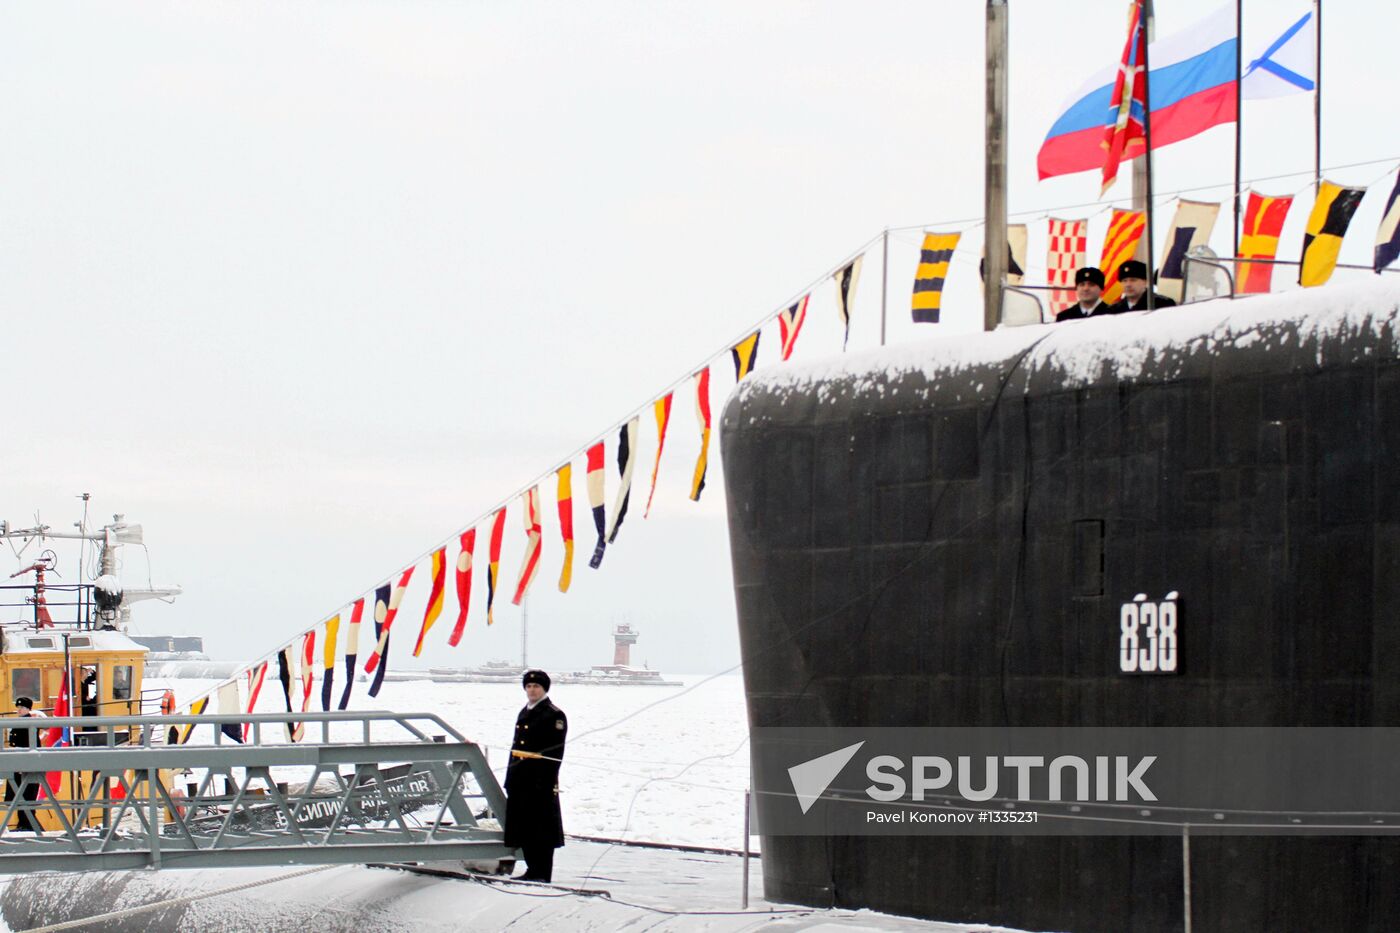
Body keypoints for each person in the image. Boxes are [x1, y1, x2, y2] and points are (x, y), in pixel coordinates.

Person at [503, 669, 566, 882]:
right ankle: (532, 869)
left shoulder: (554, 715)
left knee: (542, 828)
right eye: (529, 686)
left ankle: (542, 873)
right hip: (520, 779)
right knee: (525, 826)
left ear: (544, 688)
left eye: (536, 686)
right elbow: (516, 748)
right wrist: (510, 778)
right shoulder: (525, 711)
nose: (532, 690)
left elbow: (555, 754)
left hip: (539, 781)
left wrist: (544, 782)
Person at [5, 697, 46, 832]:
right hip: (18, 763)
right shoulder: (20, 723)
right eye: (18, 707)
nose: (19, 710)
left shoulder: (29, 723)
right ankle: (24, 824)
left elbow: (29, 744)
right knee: (20, 795)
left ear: (28, 709)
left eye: (22, 708)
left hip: (25, 764)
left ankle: (27, 825)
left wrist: (24, 763)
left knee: (26, 794)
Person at [1110, 259, 1176, 313]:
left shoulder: (1163, 304)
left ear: (1146, 282)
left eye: (1133, 280)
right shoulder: (1113, 310)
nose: (1128, 285)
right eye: (1124, 281)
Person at [1055, 267, 1119, 321]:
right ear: (1076, 288)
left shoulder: (1114, 315)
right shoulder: (1064, 317)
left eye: (1091, 284)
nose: (1085, 288)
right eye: (1082, 284)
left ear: (1102, 288)